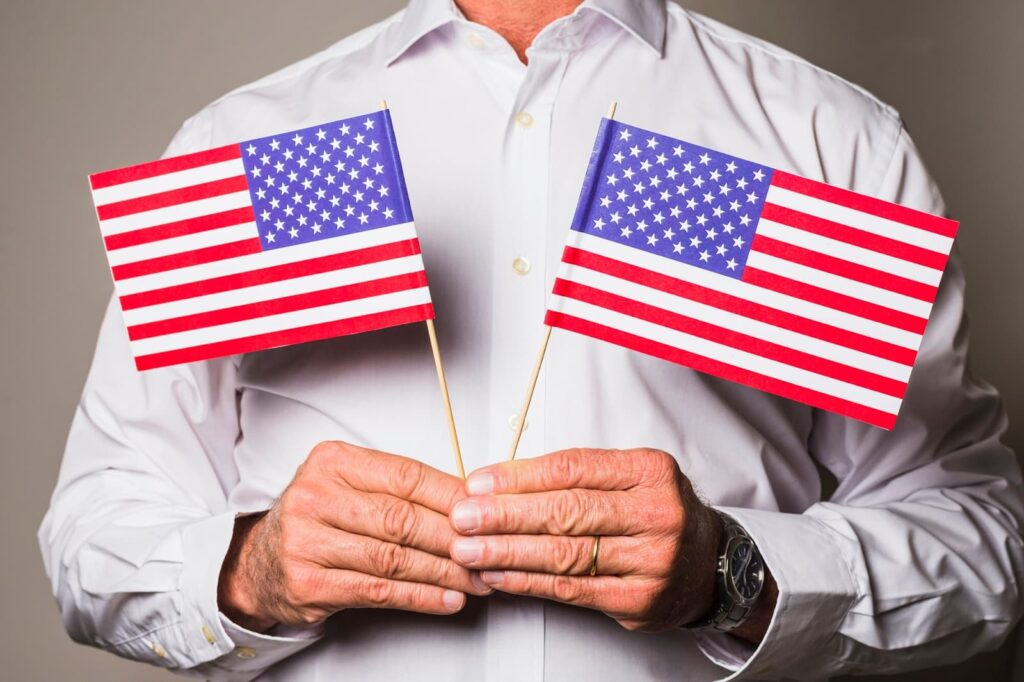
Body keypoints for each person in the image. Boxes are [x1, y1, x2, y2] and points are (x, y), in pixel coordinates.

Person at [40, 1, 1023, 680]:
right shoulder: (251, 143)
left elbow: (980, 536)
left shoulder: (827, 139)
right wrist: (250, 569)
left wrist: (732, 573)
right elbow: (94, 524)